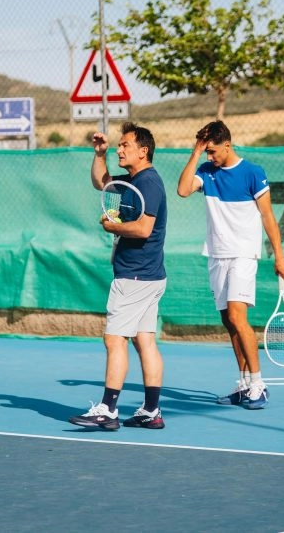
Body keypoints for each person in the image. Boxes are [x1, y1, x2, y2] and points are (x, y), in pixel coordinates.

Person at [177, 120, 284, 410]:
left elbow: (267, 217)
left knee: (239, 318)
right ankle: (243, 384)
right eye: (206, 152)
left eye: (212, 151)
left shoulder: (253, 173)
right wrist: (195, 152)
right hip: (217, 255)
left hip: (243, 254)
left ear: (227, 144)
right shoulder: (205, 171)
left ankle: (258, 384)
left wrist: (279, 255)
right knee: (229, 323)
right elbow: (182, 190)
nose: (209, 156)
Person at [69, 121, 167, 430]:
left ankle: (108, 410)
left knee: (114, 339)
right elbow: (102, 182)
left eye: (125, 145)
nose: (120, 149)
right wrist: (100, 153)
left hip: (135, 276)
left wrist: (113, 227)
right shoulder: (132, 181)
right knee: (145, 341)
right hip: (148, 275)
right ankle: (151, 411)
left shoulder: (149, 182)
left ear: (143, 150)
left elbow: (143, 228)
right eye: (119, 145)